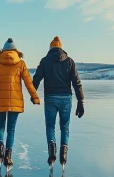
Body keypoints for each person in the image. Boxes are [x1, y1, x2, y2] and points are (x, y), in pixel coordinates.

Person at [0, 38, 40, 171]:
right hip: (15, 101)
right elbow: (28, 83)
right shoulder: (21, 63)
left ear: (3, 50)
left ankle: (0, 147)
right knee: (11, 129)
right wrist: (35, 97)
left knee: (0, 127)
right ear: (15, 50)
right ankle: (8, 156)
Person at [32, 36, 84, 169]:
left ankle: (52, 152)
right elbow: (76, 82)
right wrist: (80, 101)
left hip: (50, 98)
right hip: (66, 98)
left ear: (50, 48)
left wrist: (33, 94)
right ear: (61, 48)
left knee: (50, 127)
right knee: (64, 128)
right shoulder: (69, 61)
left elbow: (37, 78)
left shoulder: (45, 61)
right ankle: (63, 155)